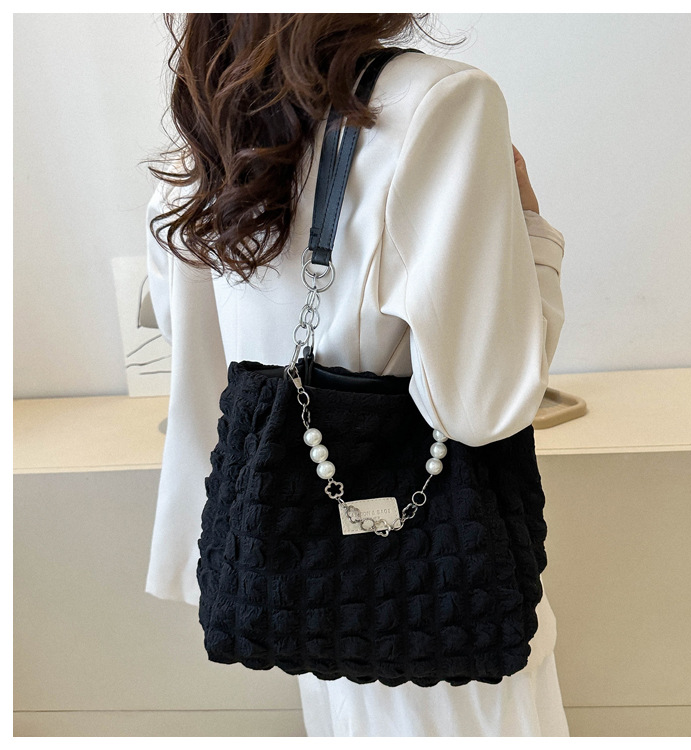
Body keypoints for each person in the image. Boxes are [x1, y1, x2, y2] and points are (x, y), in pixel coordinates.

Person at [144, 13, 569, 737]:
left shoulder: (217, 116)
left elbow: (193, 345)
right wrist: (533, 236)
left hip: (300, 583)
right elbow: (485, 405)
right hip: (442, 600)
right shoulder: (440, 99)